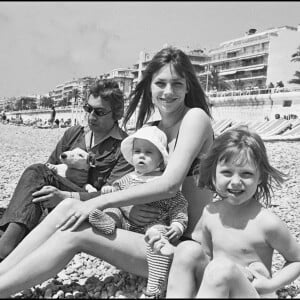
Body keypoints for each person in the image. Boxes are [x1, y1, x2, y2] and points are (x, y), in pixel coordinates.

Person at [0, 46, 214, 298]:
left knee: (77, 235)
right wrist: (125, 209)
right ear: (149, 87)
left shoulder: (195, 118)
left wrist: (99, 202)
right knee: (67, 210)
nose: (168, 91)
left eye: (177, 84)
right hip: (151, 238)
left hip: (184, 248)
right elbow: (135, 186)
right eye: (161, 83)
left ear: (188, 86)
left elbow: (169, 185)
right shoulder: (152, 128)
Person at [0, 79, 133, 261]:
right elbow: (49, 169)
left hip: (90, 207)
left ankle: (6, 245)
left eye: (99, 112)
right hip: (59, 196)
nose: (91, 116)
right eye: (88, 109)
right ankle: (9, 238)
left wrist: (65, 197)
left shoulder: (124, 148)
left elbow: (113, 196)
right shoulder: (75, 133)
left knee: (37, 173)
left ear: (116, 114)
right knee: (37, 172)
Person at [194, 127, 300, 298]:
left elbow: (296, 260)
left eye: (246, 174)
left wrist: (271, 284)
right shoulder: (210, 213)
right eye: (227, 172)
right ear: (213, 175)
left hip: (251, 293)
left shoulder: (266, 222)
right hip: (219, 289)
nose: (236, 181)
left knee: (221, 268)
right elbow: (204, 256)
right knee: (190, 252)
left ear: (260, 177)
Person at [89, 126, 188, 297]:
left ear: (160, 160)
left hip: (154, 225)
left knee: (158, 236)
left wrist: (178, 224)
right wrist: (108, 191)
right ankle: (108, 221)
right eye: (137, 151)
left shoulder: (163, 182)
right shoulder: (127, 179)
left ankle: (155, 284)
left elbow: (179, 205)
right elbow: (116, 194)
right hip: (126, 224)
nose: (141, 155)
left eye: (149, 152)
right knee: (114, 207)